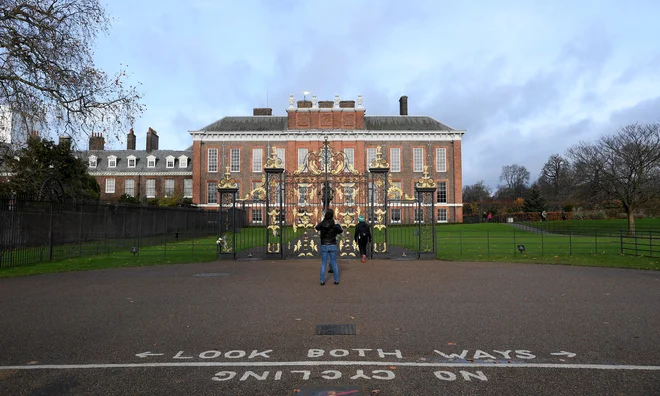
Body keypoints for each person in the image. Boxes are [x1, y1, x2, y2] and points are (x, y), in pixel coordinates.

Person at [315, 208, 343, 285]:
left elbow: (317, 227)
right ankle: (336, 280)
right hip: (332, 244)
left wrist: (323, 221)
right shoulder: (335, 224)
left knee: (324, 263)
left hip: (324, 244)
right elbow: (340, 231)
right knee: (334, 263)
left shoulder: (323, 223)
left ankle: (322, 281)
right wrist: (335, 224)